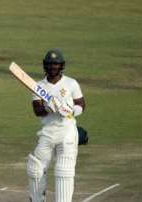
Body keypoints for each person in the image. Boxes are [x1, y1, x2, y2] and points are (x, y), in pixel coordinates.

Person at [27, 49, 85, 202]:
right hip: (47, 132)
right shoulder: (38, 86)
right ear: (45, 66)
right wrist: (47, 108)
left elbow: (81, 104)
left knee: (63, 171)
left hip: (67, 132)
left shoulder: (71, 83)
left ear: (61, 66)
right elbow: (37, 110)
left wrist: (71, 110)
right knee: (35, 169)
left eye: (56, 64)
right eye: (50, 64)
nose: (53, 67)